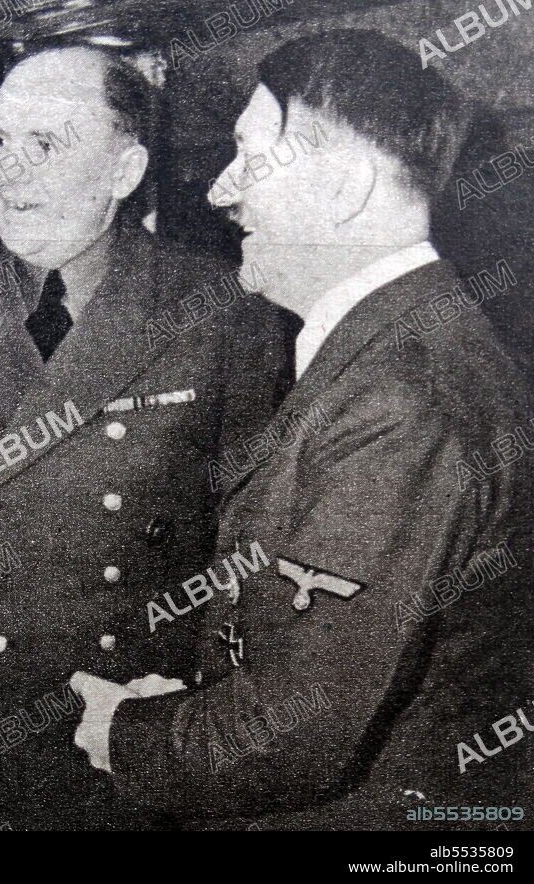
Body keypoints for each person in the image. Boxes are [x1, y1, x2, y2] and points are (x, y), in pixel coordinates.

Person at [71, 29, 534, 830]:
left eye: (249, 155)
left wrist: (128, 734)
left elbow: (300, 729)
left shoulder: (401, 396)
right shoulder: (404, 351)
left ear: (346, 186)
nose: (220, 191)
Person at [0, 43, 293, 830]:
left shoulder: (224, 308)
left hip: (131, 736)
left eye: (45, 145)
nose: (6, 172)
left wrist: (207, 743)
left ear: (125, 171)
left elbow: (250, 556)